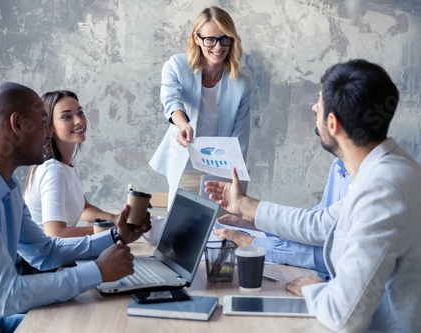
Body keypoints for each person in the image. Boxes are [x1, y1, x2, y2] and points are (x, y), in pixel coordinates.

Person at [205, 59, 421, 332]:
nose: (313, 107)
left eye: (319, 102)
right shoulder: (389, 170)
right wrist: (246, 210)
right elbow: (320, 223)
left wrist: (317, 290)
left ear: (333, 123)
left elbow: (344, 316)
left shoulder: (381, 191)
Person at [0, 82, 150, 333]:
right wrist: (97, 271)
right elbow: (5, 296)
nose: (48, 133)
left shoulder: (3, 184)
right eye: (43, 123)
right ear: (17, 124)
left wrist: (115, 236)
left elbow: (45, 252)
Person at [149, 6, 251, 207]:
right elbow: (171, 101)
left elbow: (240, 139)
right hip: (185, 163)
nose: (218, 46)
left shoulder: (241, 84)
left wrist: (237, 183)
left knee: (219, 229)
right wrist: (183, 125)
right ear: (196, 39)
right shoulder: (176, 66)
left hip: (220, 169)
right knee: (180, 229)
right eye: (210, 39)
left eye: (225, 38)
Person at [213, 157, 350, 280]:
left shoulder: (364, 181)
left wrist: (252, 243)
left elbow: (326, 240)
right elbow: (313, 219)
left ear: (334, 127)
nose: (317, 130)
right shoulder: (339, 164)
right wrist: (257, 225)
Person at [23, 90, 116, 238]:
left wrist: (116, 219)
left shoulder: (68, 162)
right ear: (49, 126)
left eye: (80, 113)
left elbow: (83, 208)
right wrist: (109, 229)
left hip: (57, 255)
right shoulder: (53, 170)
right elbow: (55, 233)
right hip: (39, 260)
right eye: (66, 117)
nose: (79, 121)